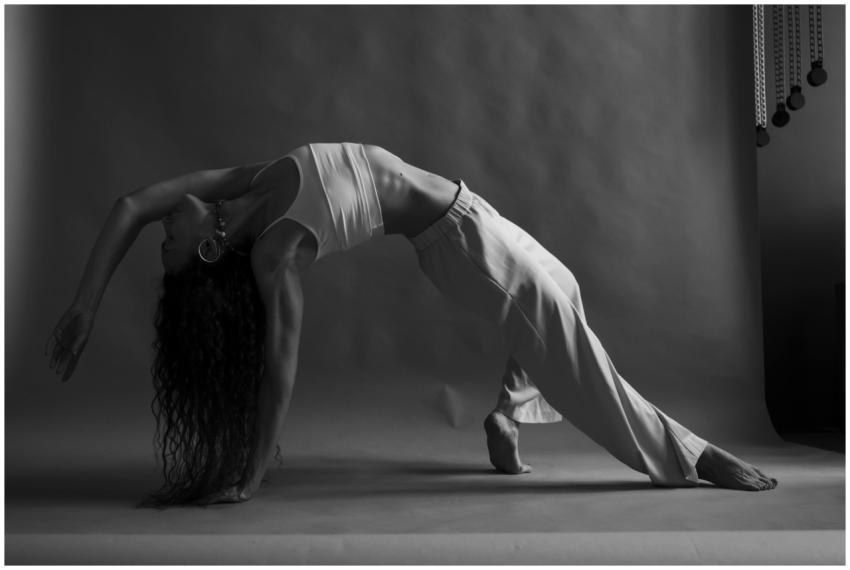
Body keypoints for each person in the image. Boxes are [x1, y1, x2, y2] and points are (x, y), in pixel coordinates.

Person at [45, 142, 778, 506]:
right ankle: (689, 456)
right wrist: (248, 473)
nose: (165, 226)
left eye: (163, 236)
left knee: (566, 286)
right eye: (170, 245)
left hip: (469, 210)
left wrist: (83, 304)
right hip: (462, 247)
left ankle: (510, 412)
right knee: (573, 352)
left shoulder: (247, 184)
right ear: (204, 252)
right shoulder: (276, 252)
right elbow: (280, 364)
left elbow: (132, 204)